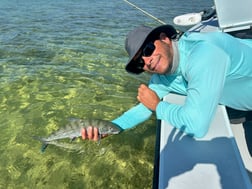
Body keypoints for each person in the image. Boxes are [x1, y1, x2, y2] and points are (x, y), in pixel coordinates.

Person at [82, 24, 252, 150]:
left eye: (147, 50)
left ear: (165, 39)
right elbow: (143, 109)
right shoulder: (162, 77)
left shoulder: (203, 54)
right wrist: (110, 128)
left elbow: (196, 126)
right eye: (140, 62)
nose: (147, 61)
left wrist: (159, 106)